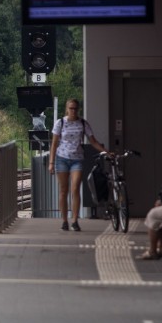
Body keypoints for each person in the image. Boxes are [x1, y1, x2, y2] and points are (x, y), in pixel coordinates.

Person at [49, 99, 108, 232]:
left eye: (75, 108)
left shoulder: (83, 123)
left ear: (78, 109)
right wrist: (51, 162)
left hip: (77, 159)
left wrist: (106, 152)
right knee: (64, 190)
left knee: (75, 188)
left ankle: (75, 220)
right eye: (71, 108)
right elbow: (54, 144)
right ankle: (64, 220)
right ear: (67, 109)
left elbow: (93, 141)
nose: (73, 111)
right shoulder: (60, 122)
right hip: (62, 159)